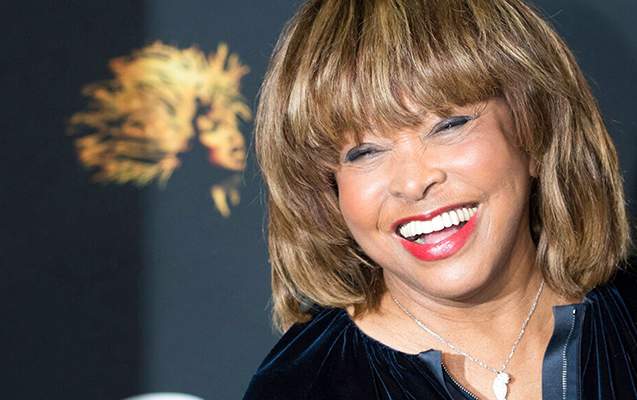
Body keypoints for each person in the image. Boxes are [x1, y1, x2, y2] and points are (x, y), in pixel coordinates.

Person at [244, 0, 636, 399]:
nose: (414, 182)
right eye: (364, 152)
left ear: (534, 129)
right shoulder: (300, 389)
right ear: (327, 193)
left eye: (449, 125)